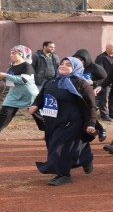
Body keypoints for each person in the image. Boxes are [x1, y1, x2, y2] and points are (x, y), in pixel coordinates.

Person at [30, 57, 96, 186]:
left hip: (72, 121)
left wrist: (91, 123)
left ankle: (63, 175)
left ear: (76, 68)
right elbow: (41, 96)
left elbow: (90, 106)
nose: (63, 66)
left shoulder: (81, 83)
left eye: (68, 65)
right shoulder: (51, 81)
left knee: (59, 148)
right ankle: (85, 158)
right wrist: (35, 105)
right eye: (62, 64)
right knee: (55, 144)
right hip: (52, 121)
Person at [0, 45, 43, 132]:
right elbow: (10, 79)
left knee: (41, 119)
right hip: (13, 95)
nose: (11, 55)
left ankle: (54, 133)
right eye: (11, 53)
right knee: (3, 117)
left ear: (22, 54)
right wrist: (3, 77)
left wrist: (5, 75)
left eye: (14, 53)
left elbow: (23, 79)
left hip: (29, 96)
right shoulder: (11, 65)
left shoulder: (27, 66)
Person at [72, 48, 108, 142]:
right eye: (77, 59)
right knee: (83, 114)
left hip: (89, 94)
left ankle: (100, 130)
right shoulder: (73, 67)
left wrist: (95, 83)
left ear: (86, 59)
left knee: (88, 113)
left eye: (82, 59)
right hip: (76, 94)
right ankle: (97, 130)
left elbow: (104, 78)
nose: (80, 61)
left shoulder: (95, 67)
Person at [95, 42, 113, 121]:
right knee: (103, 99)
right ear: (107, 49)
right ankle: (104, 114)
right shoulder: (101, 57)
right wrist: (108, 80)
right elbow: (100, 71)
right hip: (104, 81)